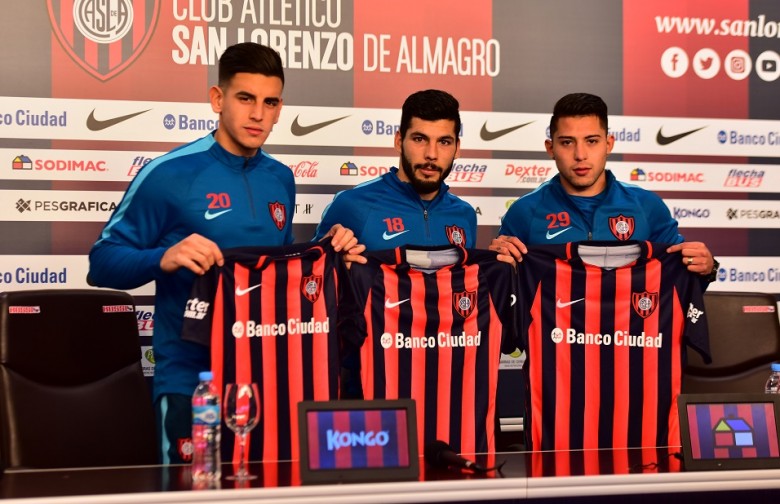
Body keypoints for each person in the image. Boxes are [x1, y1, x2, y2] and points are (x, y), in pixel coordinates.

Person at [87, 42, 359, 465]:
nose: (258, 115)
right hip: (191, 383)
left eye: (269, 103)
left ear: (280, 108)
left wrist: (331, 247)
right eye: (245, 98)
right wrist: (164, 256)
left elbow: (276, 272)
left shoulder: (281, 179)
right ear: (218, 99)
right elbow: (101, 262)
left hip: (263, 379)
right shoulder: (168, 174)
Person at [490, 92, 717, 280]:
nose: (580, 155)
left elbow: (681, 278)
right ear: (551, 148)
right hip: (553, 334)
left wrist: (707, 268)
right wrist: (496, 265)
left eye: (591, 141)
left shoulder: (647, 206)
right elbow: (503, 292)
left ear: (608, 144)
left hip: (632, 334)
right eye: (567, 142)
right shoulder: (525, 211)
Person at [313, 89, 477, 250]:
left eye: (444, 142)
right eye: (419, 139)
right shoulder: (352, 204)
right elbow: (312, 272)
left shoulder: (465, 214)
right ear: (399, 141)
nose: (431, 154)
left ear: (457, 148)